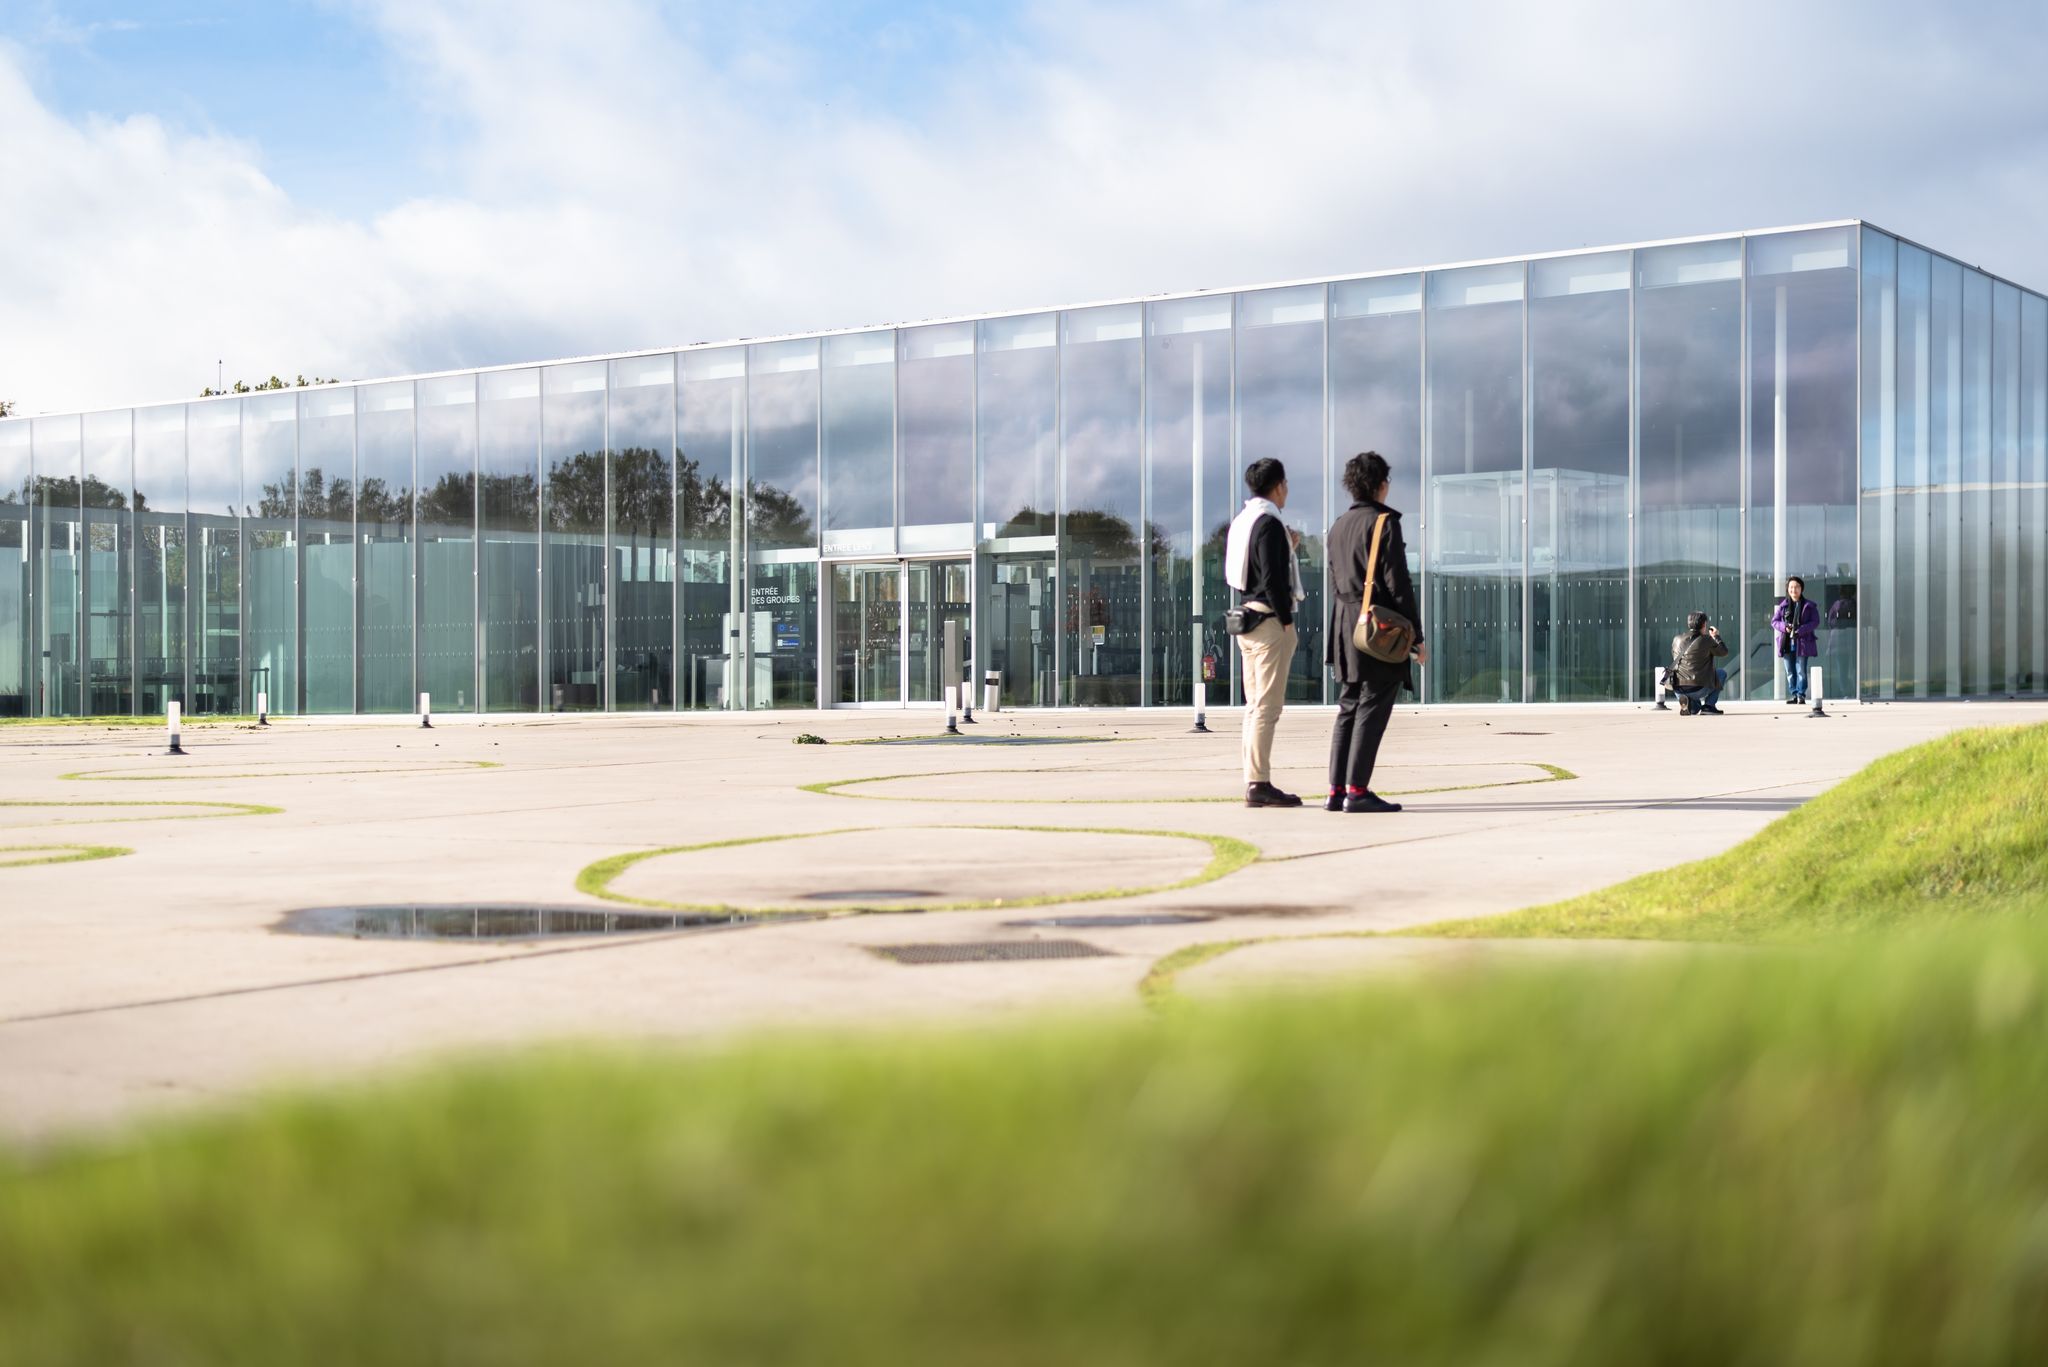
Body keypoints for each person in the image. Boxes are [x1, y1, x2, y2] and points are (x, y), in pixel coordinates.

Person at [1324, 451, 1424, 813]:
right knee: (1373, 705)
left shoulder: (1337, 526)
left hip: (1344, 623)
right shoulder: (1383, 523)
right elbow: (1398, 584)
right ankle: (1358, 789)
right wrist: (1417, 635)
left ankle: (1336, 790)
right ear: (1381, 485)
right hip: (1377, 626)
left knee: (1348, 705)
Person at [1224, 458, 1305, 807]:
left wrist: (1289, 548)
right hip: (1269, 621)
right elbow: (1272, 579)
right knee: (1267, 708)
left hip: (1247, 620)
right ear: (1279, 486)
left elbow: (1253, 572)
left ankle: (1253, 777)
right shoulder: (1270, 522)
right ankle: (1259, 783)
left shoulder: (1243, 521)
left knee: (1253, 706)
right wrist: (1287, 621)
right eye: (1286, 484)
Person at [1670, 611, 1730, 716]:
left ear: (1689, 624)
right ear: (1704, 625)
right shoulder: (1707, 640)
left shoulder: (1677, 639)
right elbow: (1724, 652)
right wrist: (1716, 637)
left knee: (1694, 710)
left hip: (1678, 687)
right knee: (1721, 673)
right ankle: (1709, 706)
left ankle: (1688, 702)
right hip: (1698, 688)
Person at [1771, 575, 1820, 704]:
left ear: (1801, 589)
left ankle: (1801, 695)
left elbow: (1815, 622)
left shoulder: (1809, 605)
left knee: (1801, 671)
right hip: (1787, 642)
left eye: (1797, 587)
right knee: (1790, 671)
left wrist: (1801, 629)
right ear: (1788, 589)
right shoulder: (1783, 606)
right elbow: (1774, 622)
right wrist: (1784, 627)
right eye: (1791, 587)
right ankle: (1794, 694)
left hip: (1802, 642)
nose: (1794, 590)